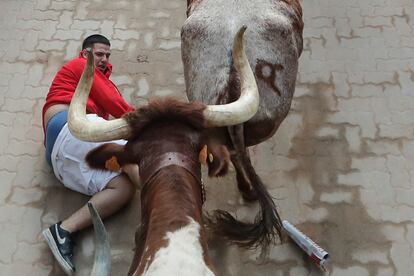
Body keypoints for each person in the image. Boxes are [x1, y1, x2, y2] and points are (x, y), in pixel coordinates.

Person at [41, 34, 139, 275]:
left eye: (107, 55)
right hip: (68, 126)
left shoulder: (98, 82)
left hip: (60, 159)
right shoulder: (80, 66)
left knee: (123, 188)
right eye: (99, 54)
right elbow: (117, 106)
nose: (104, 59)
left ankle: (64, 230)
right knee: (133, 157)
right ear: (85, 54)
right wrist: (150, 123)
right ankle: (169, 211)